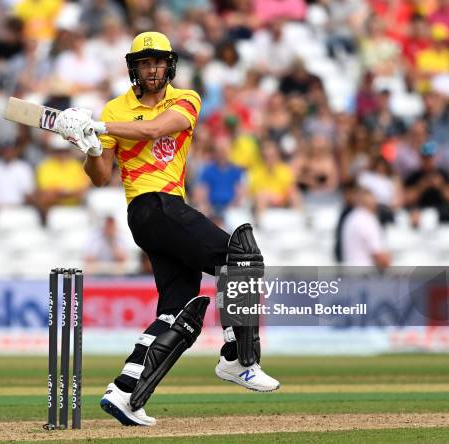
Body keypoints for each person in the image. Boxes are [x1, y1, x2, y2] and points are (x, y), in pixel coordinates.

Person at [50, 31, 279, 427]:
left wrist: (99, 124)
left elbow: (155, 130)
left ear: (168, 65)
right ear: (133, 68)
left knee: (178, 311)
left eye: (158, 62)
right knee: (240, 258)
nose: (152, 69)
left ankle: (125, 392)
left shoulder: (185, 99)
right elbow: (100, 177)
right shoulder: (115, 107)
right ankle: (237, 359)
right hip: (150, 205)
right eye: (144, 62)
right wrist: (88, 144)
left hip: (165, 209)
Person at [340, 185, 391, 268]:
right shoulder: (368, 219)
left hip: (351, 272)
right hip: (365, 274)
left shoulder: (351, 217)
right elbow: (380, 257)